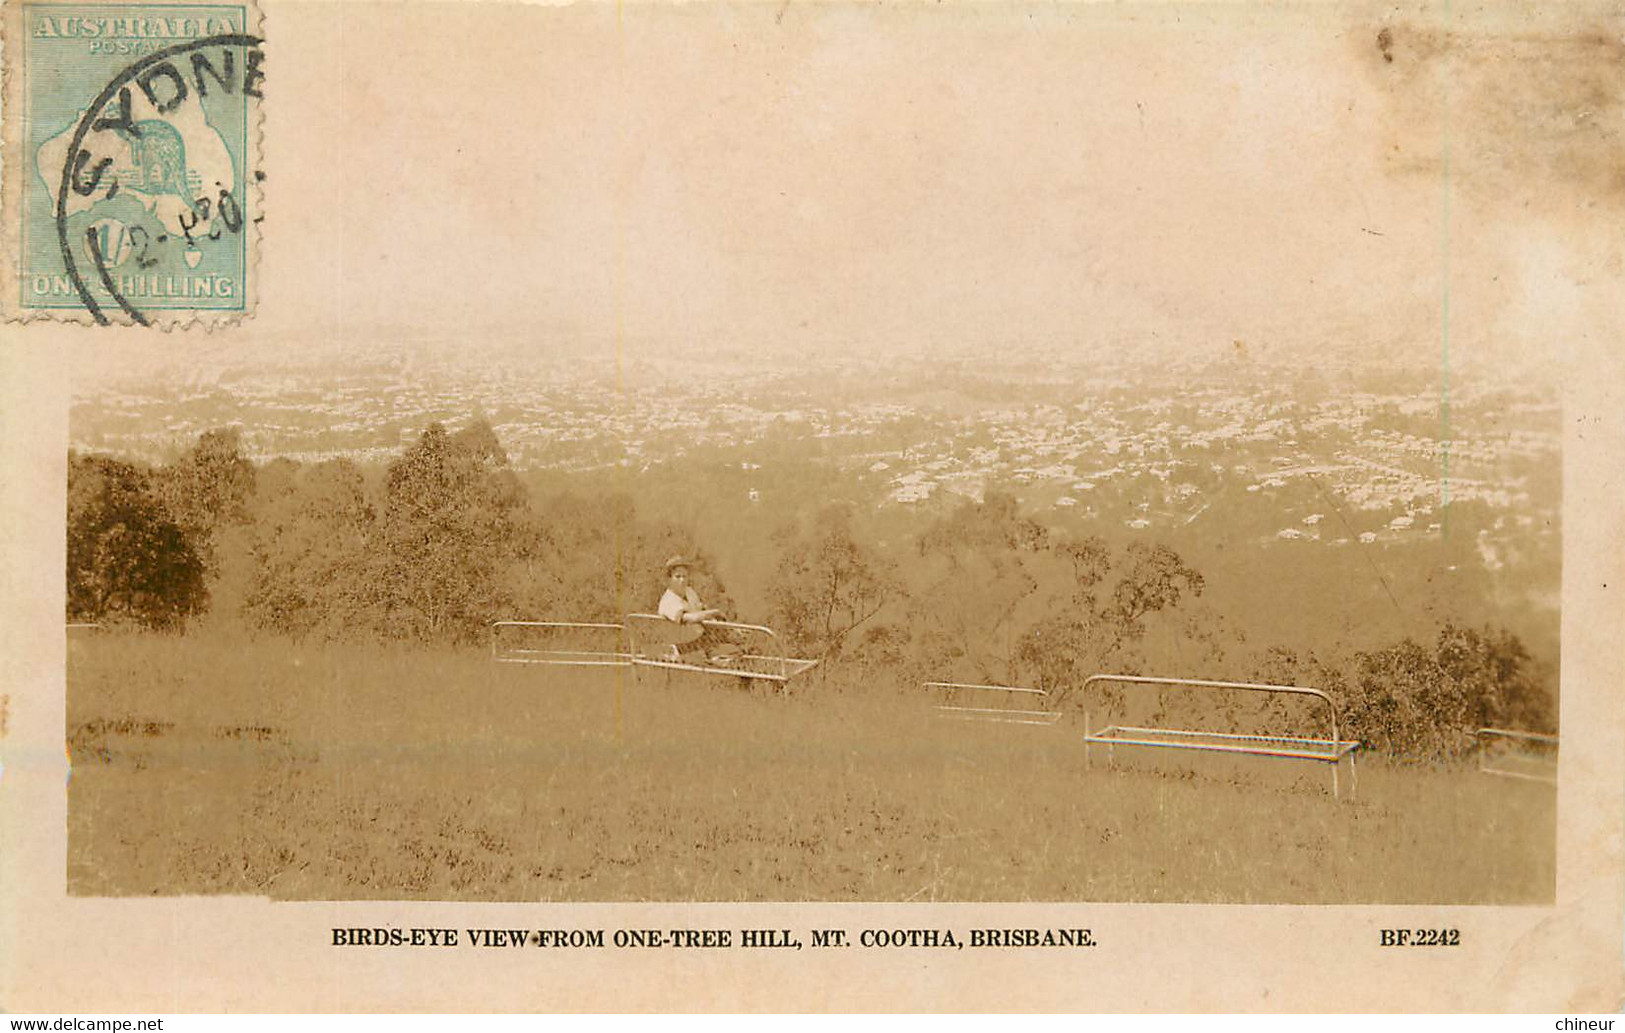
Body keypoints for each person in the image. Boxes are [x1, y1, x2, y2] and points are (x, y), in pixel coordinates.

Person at [657, 556, 742, 663]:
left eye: (685, 576)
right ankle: (717, 657)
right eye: (677, 577)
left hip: (700, 639)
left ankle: (729, 653)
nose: (682, 580)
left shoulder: (689, 592)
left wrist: (723, 624)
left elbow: (701, 609)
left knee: (735, 646)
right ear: (669, 579)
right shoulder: (668, 601)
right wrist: (715, 612)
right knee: (727, 651)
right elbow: (690, 618)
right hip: (681, 646)